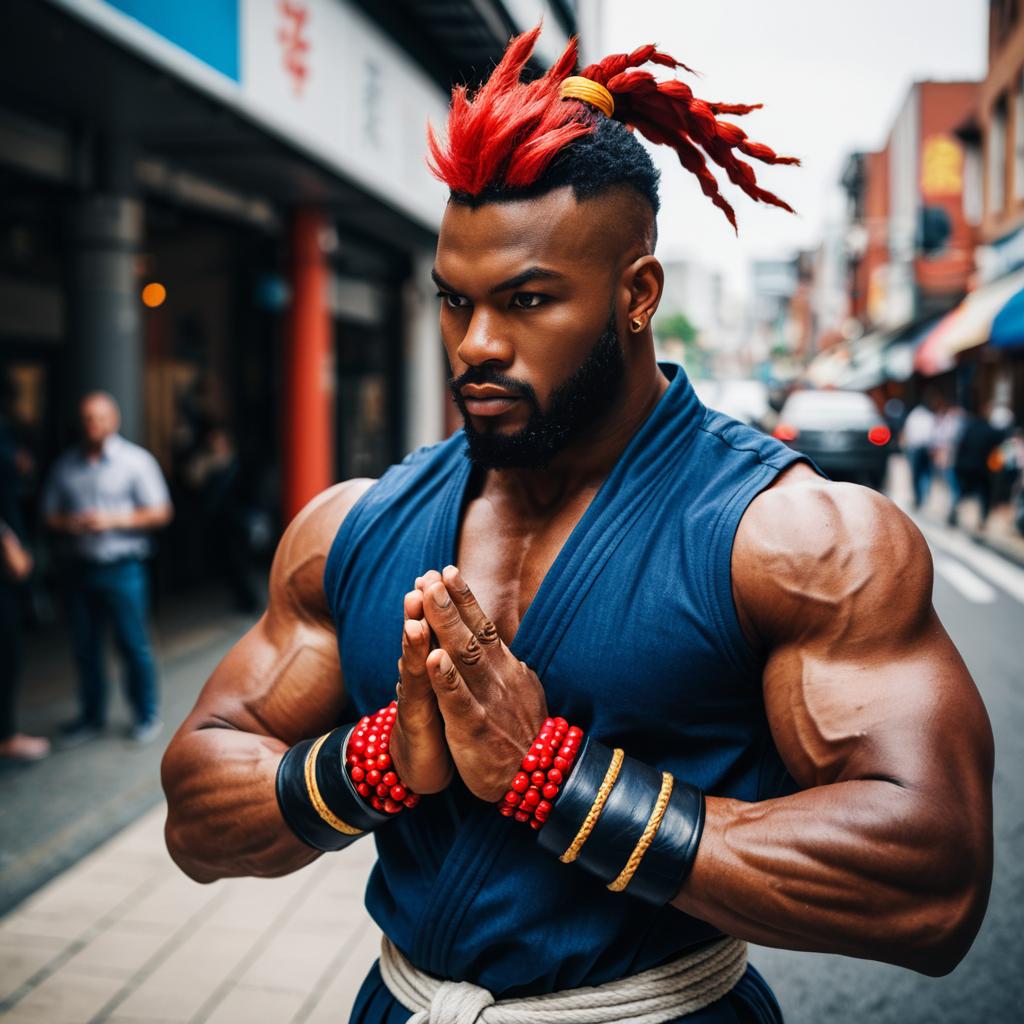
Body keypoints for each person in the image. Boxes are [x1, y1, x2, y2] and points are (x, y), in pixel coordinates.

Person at [162, 31, 993, 1023]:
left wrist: (552, 778)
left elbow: (932, 877)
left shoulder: (797, 539)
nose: (475, 344)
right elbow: (197, 812)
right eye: (455, 302)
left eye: (526, 301)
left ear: (635, 296)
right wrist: (374, 758)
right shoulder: (355, 523)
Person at [42, 392, 173, 745]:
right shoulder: (66, 465)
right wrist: (71, 524)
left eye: (99, 418)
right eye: (86, 418)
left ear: (113, 420)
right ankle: (91, 717)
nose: (93, 425)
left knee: (133, 644)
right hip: (81, 567)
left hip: (124, 567)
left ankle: (146, 715)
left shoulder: (136, 462)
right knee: (85, 647)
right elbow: (49, 514)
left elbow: (161, 511)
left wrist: (112, 520)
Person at [949, 404, 1005, 530]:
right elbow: (1002, 442)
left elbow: (961, 445)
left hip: (964, 466)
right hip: (981, 469)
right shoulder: (992, 431)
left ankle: (954, 512)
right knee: (984, 494)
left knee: (963, 492)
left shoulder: (970, 427)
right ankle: (982, 522)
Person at [900, 395, 936, 509]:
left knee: (917, 475)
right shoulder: (930, 416)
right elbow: (932, 434)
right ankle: (924, 496)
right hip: (926, 447)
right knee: (926, 473)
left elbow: (908, 432)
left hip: (916, 448)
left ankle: (919, 498)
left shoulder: (914, 416)